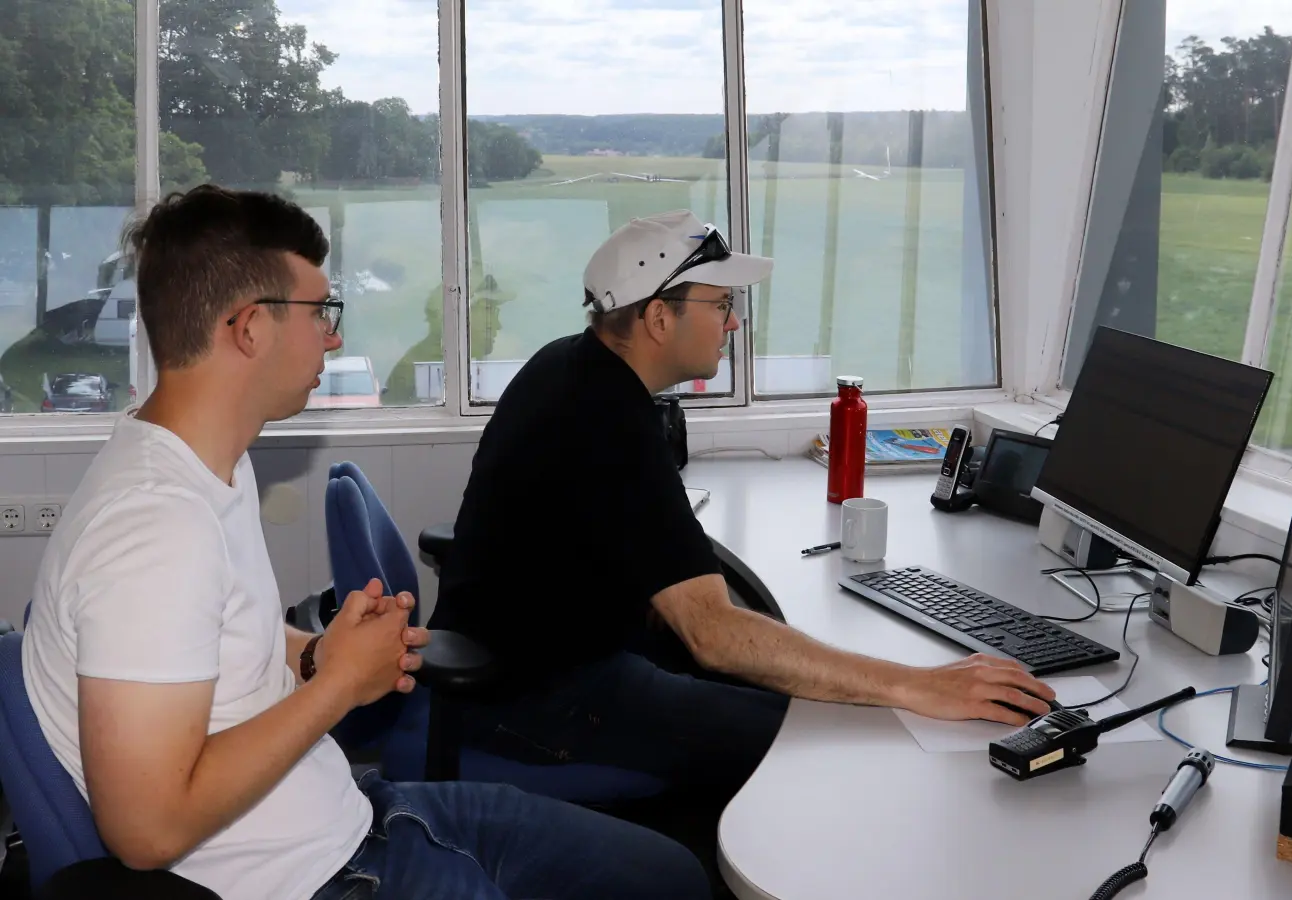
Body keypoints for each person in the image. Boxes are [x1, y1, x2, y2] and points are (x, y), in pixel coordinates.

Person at [21, 186, 710, 900]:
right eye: (320, 311)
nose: (335, 336)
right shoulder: (153, 530)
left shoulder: (202, 465)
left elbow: (219, 647)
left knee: (670, 876)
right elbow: (147, 831)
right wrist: (342, 684)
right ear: (250, 328)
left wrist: (319, 653)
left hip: (360, 817)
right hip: (322, 879)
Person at [431, 209, 1058, 851]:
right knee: (827, 739)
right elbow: (714, 635)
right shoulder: (606, 420)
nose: (733, 322)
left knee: (807, 700)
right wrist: (919, 684)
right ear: (657, 318)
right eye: (722, 304)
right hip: (539, 699)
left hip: (552, 660)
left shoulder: (574, 370)